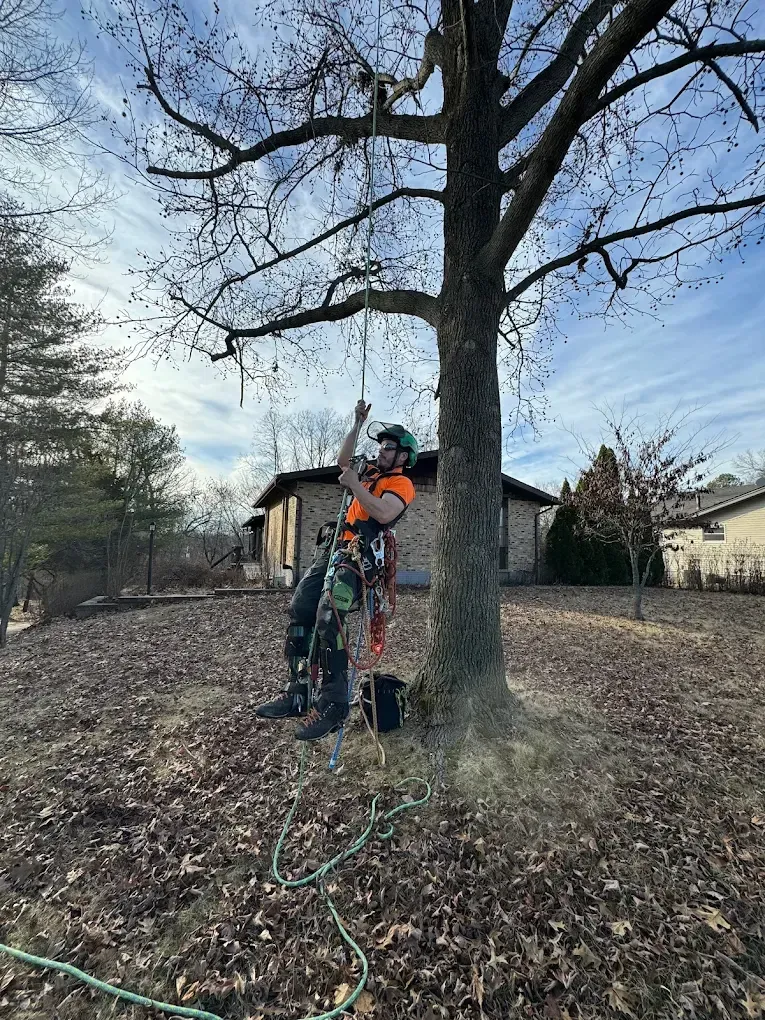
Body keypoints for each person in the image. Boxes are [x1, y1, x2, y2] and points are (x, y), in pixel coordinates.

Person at [255, 400, 418, 740]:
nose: (382, 450)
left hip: (360, 558)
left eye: (389, 447)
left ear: (403, 456)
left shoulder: (401, 485)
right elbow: (343, 461)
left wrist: (355, 485)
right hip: (334, 548)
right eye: (381, 445)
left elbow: (384, 514)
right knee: (301, 607)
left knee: (331, 618)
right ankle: (299, 691)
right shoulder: (369, 471)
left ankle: (333, 703)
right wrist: (357, 425)